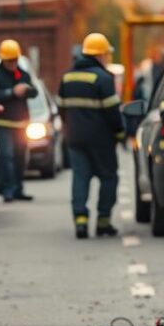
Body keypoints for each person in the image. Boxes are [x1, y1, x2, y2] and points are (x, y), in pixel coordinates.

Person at [58, 32, 124, 239]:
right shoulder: (104, 78)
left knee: (80, 178)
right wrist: (120, 133)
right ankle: (103, 222)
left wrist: (71, 128)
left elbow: (61, 109)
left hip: (75, 139)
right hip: (101, 140)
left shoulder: (67, 77)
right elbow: (112, 112)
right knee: (108, 177)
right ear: (101, 55)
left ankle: (80, 221)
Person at [0, 39, 37, 202]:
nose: (13, 63)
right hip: (3, 125)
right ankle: (7, 190)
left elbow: (34, 93)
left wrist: (26, 90)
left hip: (22, 125)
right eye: (10, 60)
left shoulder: (24, 75)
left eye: (15, 59)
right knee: (7, 156)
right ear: (3, 59)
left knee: (20, 157)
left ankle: (18, 189)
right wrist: (11, 92)